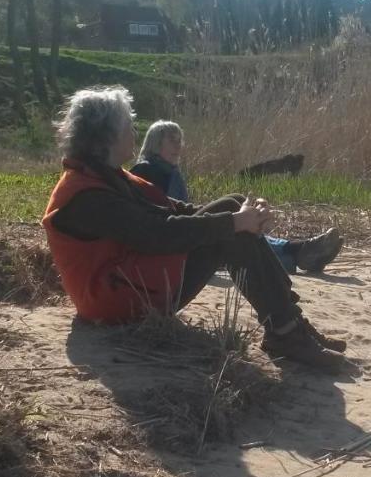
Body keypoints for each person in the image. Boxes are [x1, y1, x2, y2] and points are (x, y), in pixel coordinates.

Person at [41, 86, 347, 370]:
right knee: (231, 229)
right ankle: (285, 330)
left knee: (233, 203)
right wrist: (235, 222)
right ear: (106, 136)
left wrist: (245, 213)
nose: (134, 133)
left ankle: (288, 321)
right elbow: (158, 235)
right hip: (118, 304)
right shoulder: (86, 197)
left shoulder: (107, 176)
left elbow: (175, 211)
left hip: (135, 283)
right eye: (128, 127)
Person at [130, 120, 344, 274]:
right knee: (234, 229)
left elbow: (182, 208)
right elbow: (163, 220)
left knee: (237, 222)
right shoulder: (147, 171)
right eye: (172, 140)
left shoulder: (168, 171)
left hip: (186, 236)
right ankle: (298, 251)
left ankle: (296, 253)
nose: (179, 145)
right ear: (156, 143)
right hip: (176, 245)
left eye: (180, 140)